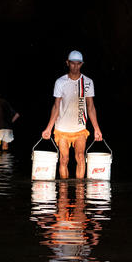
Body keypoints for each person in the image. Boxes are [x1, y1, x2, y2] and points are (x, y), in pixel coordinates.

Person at [41, 50, 103, 178]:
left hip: (80, 127)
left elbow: (91, 107)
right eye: (72, 63)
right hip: (61, 128)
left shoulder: (88, 82)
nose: (75, 67)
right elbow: (56, 106)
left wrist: (97, 129)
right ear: (67, 63)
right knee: (64, 159)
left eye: (78, 64)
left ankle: (80, 194)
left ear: (82, 64)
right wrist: (48, 128)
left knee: (80, 157)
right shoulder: (60, 82)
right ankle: (63, 194)